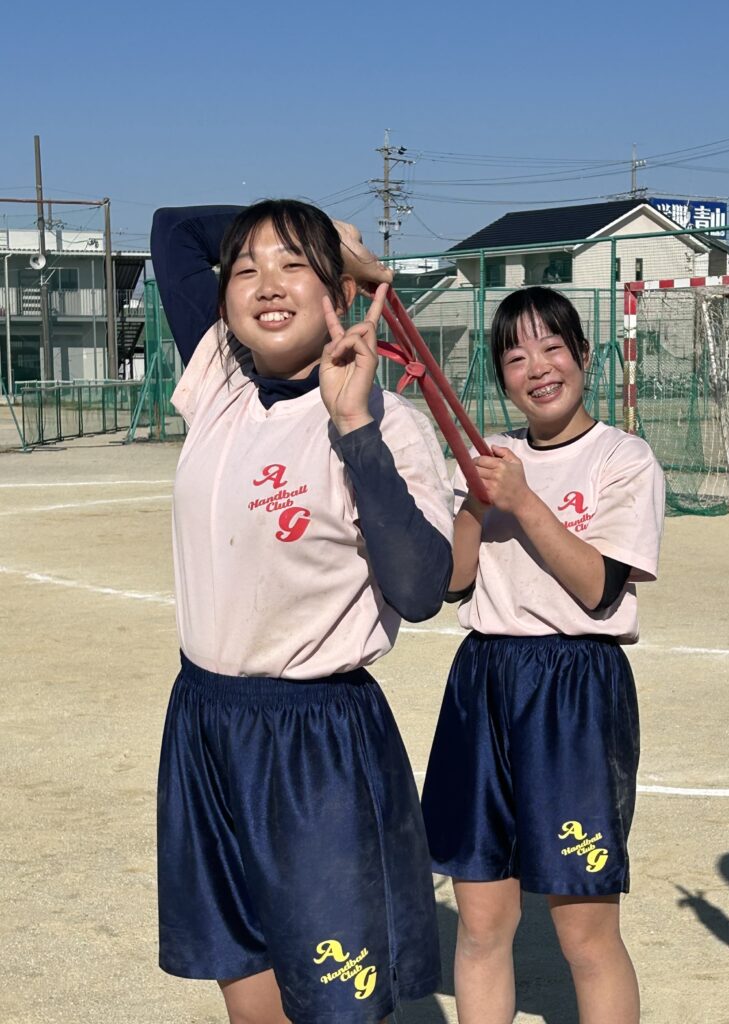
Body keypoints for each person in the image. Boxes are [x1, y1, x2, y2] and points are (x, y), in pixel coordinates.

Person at [150, 199, 454, 1024]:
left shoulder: (390, 424)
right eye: (246, 268)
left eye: (293, 265)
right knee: (246, 989)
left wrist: (353, 427)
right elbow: (174, 229)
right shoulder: (220, 377)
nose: (266, 283)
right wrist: (324, 236)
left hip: (314, 742)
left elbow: (421, 589)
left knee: (336, 1006)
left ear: (339, 297)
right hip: (205, 722)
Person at [421, 286, 665, 1024]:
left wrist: (523, 501)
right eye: (516, 357)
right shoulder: (491, 460)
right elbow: (453, 582)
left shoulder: (623, 458)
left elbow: (597, 587)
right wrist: (473, 501)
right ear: (501, 376)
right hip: (483, 682)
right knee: (481, 924)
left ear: (584, 355)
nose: (537, 368)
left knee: (584, 933)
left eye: (553, 347)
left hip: (574, 692)